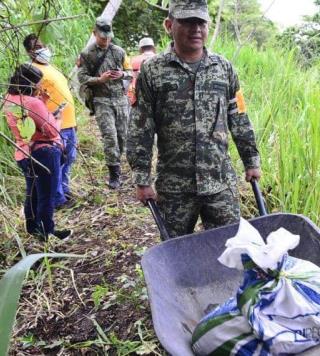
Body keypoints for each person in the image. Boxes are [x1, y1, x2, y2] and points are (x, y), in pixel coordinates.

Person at [127, 0, 262, 238]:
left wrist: (251, 161)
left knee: (231, 248)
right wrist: (142, 178)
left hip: (220, 183)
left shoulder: (224, 68)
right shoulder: (153, 71)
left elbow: (238, 116)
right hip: (175, 187)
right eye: (187, 22)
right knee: (177, 254)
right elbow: (141, 127)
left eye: (201, 22)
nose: (196, 29)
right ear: (169, 25)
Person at [3, 64, 72, 240]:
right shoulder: (32, 102)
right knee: (46, 196)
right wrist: (56, 118)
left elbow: (30, 124)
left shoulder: (9, 99)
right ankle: (47, 233)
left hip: (24, 151)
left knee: (32, 192)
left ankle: (33, 228)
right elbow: (51, 131)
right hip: (44, 152)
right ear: (31, 83)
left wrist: (43, 103)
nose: (39, 87)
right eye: (38, 83)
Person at [77, 17, 132, 189]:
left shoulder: (119, 51)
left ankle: (118, 163)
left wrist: (122, 75)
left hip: (121, 100)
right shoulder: (87, 54)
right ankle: (114, 174)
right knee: (110, 137)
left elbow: (130, 72)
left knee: (122, 136)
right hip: (101, 100)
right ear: (95, 34)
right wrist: (99, 79)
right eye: (102, 37)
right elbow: (82, 78)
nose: (106, 40)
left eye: (108, 37)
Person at [23, 34, 78, 208]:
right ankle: (57, 199)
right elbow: (31, 100)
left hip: (68, 123)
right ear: (29, 52)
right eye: (36, 48)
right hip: (54, 126)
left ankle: (63, 191)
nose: (41, 50)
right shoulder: (31, 71)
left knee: (67, 160)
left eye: (42, 45)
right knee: (55, 162)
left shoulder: (51, 68)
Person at [127, 37, 157, 106]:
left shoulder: (134, 60)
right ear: (153, 48)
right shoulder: (159, 59)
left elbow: (129, 79)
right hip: (157, 94)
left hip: (138, 95)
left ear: (140, 49)